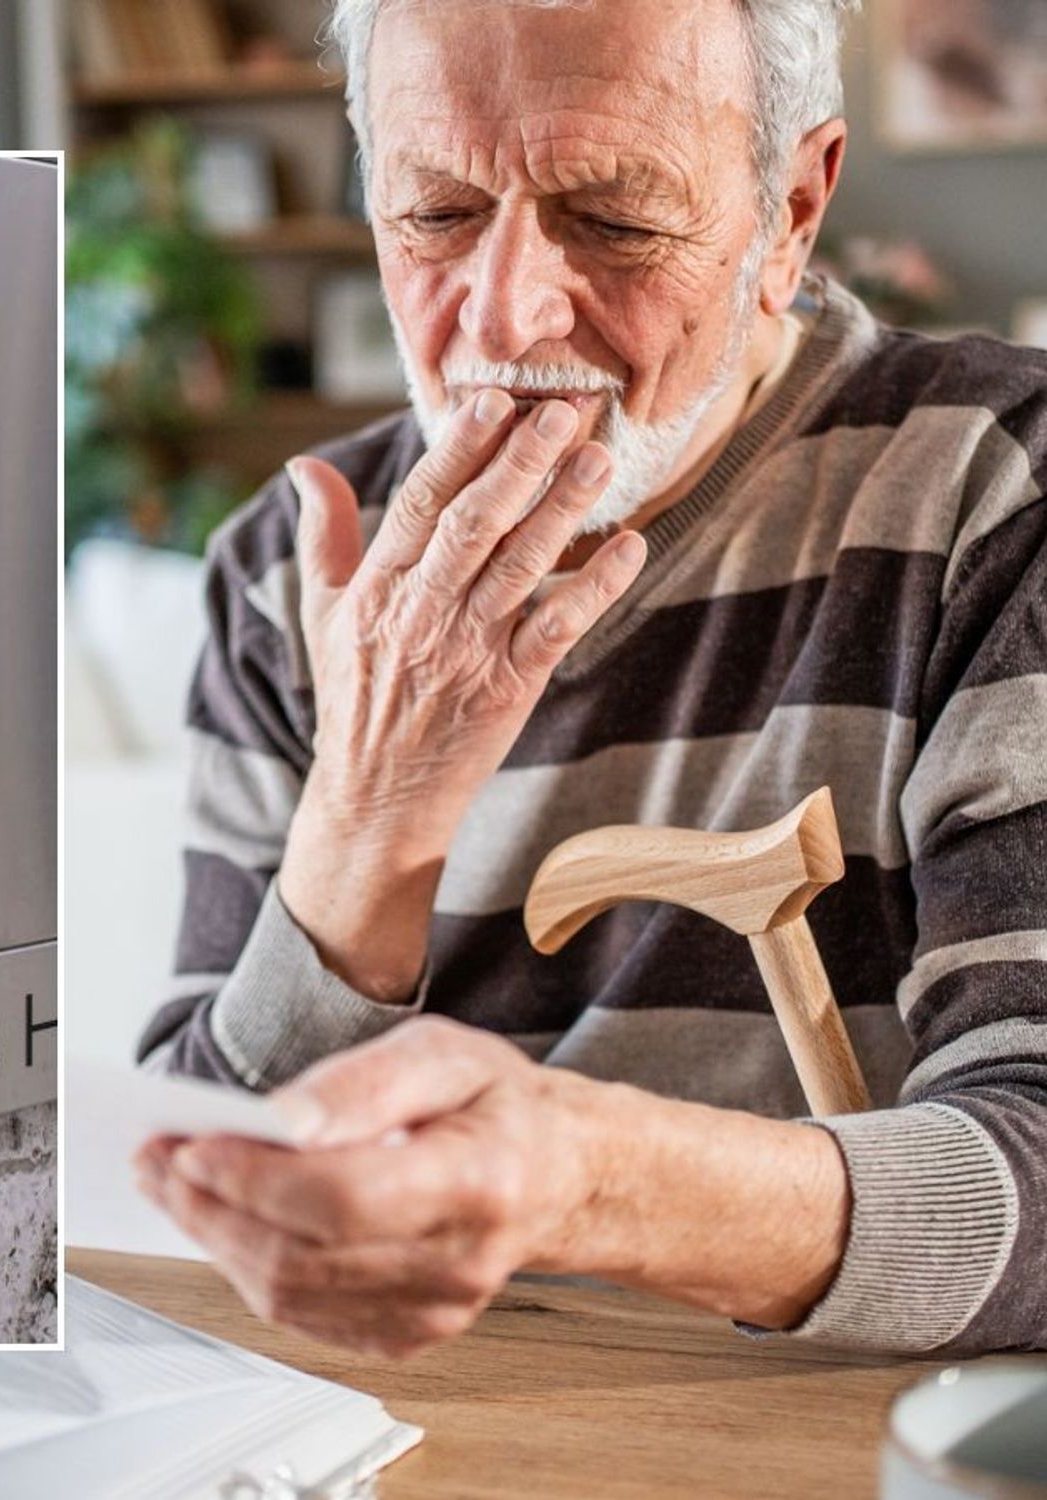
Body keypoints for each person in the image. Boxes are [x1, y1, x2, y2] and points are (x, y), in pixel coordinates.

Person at [134, 0, 1047, 1359]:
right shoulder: (291, 569)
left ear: (790, 208)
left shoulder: (998, 490)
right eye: (434, 214)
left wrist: (588, 1182)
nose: (506, 312)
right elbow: (182, 1203)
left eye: (615, 221)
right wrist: (368, 823)